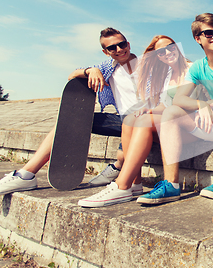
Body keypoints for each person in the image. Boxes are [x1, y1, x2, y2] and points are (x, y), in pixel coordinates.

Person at [0, 28, 141, 198]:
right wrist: (90, 70)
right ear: (106, 52)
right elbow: (72, 75)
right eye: (113, 48)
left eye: (122, 44)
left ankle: (117, 167)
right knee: (69, 120)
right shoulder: (108, 68)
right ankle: (26, 174)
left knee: (127, 140)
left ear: (128, 44)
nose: (119, 50)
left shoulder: (145, 64)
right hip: (120, 120)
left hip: (145, 121)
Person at [136, 13, 213, 204]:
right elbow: (178, 99)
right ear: (198, 38)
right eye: (209, 33)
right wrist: (200, 105)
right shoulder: (197, 68)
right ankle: (171, 185)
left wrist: (207, 104)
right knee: (171, 113)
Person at [78, 35, 194, 207]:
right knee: (131, 119)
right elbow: (166, 104)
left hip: (191, 124)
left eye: (171, 47)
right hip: (171, 122)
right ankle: (134, 184)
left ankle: (121, 185)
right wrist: (150, 110)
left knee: (144, 120)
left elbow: (184, 103)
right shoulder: (167, 76)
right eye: (161, 52)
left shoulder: (192, 68)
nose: (167, 52)